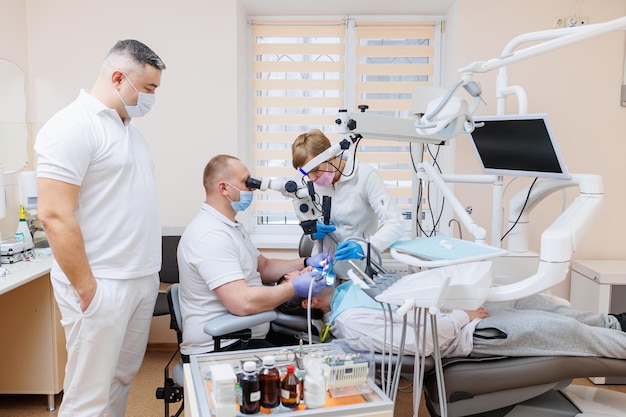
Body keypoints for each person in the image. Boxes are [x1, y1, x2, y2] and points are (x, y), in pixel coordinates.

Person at [35, 40, 166, 417]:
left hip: (139, 278)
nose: (152, 98)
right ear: (118, 78)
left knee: (121, 379)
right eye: (149, 88)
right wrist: (86, 287)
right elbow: (54, 214)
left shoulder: (131, 131)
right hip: (101, 283)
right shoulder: (72, 126)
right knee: (88, 394)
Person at [177, 154, 332, 357]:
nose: (253, 188)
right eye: (246, 182)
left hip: (242, 336)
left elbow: (264, 267)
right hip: (220, 347)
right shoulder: (210, 235)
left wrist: (305, 262)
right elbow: (243, 302)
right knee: (306, 365)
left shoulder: (230, 227)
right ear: (224, 188)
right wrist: (294, 287)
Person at [277, 276, 626, 359]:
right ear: (308, 302)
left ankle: (616, 322)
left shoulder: (350, 293)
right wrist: (462, 314)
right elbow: (424, 341)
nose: (309, 270)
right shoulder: (350, 320)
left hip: (463, 314)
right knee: (563, 330)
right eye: (297, 278)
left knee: (531, 298)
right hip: (468, 333)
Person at [291, 129, 405, 278]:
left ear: (331, 157)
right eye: (306, 173)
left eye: (315, 170)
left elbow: (395, 223)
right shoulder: (309, 183)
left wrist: (364, 248)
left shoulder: (365, 176)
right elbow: (307, 219)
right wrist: (312, 231)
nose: (311, 177)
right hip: (322, 270)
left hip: (359, 271)